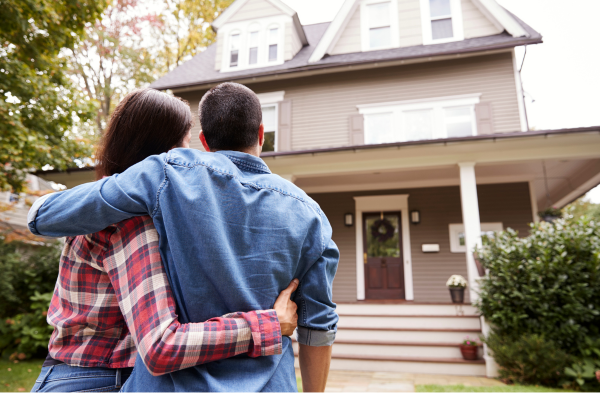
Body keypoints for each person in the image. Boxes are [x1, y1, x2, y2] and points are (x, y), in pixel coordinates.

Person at [28, 82, 340, 392]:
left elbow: (42, 217)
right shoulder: (312, 215)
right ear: (261, 134)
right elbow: (319, 326)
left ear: (204, 141)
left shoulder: (166, 177)